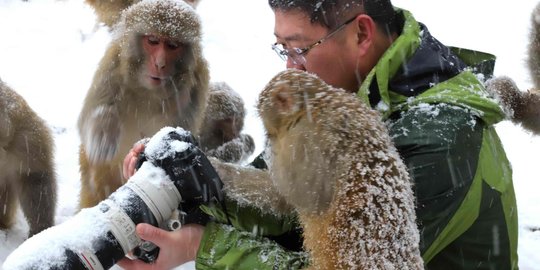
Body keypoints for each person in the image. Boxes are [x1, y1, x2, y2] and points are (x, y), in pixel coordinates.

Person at [118, 0, 519, 269]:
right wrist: (196, 182)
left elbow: (325, 257)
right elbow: (284, 202)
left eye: (300, 47)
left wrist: (199, 246)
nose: (292, 68)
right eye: (283, 49)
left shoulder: (439, 140)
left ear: (361, 34)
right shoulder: (337, 93)